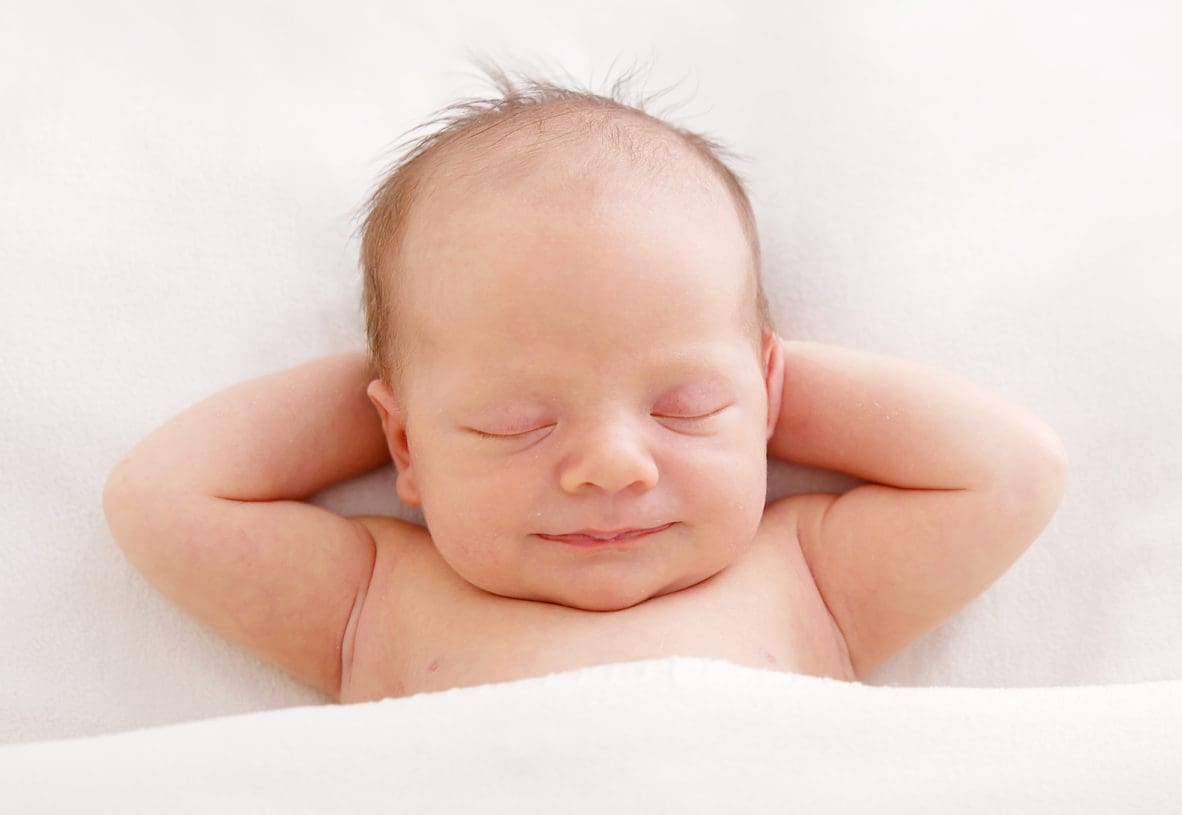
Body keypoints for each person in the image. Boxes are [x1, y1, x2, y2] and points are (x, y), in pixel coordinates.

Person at [102, 65, 1068, 703]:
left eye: (685, 407)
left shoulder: (809, 579)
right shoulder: (372, 598)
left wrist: (759, 377)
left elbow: (1012, 473)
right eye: (513, 423)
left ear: (767, 397)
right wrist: (411, 373)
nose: (611, 464)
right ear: (402, 444)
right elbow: (161, 498)